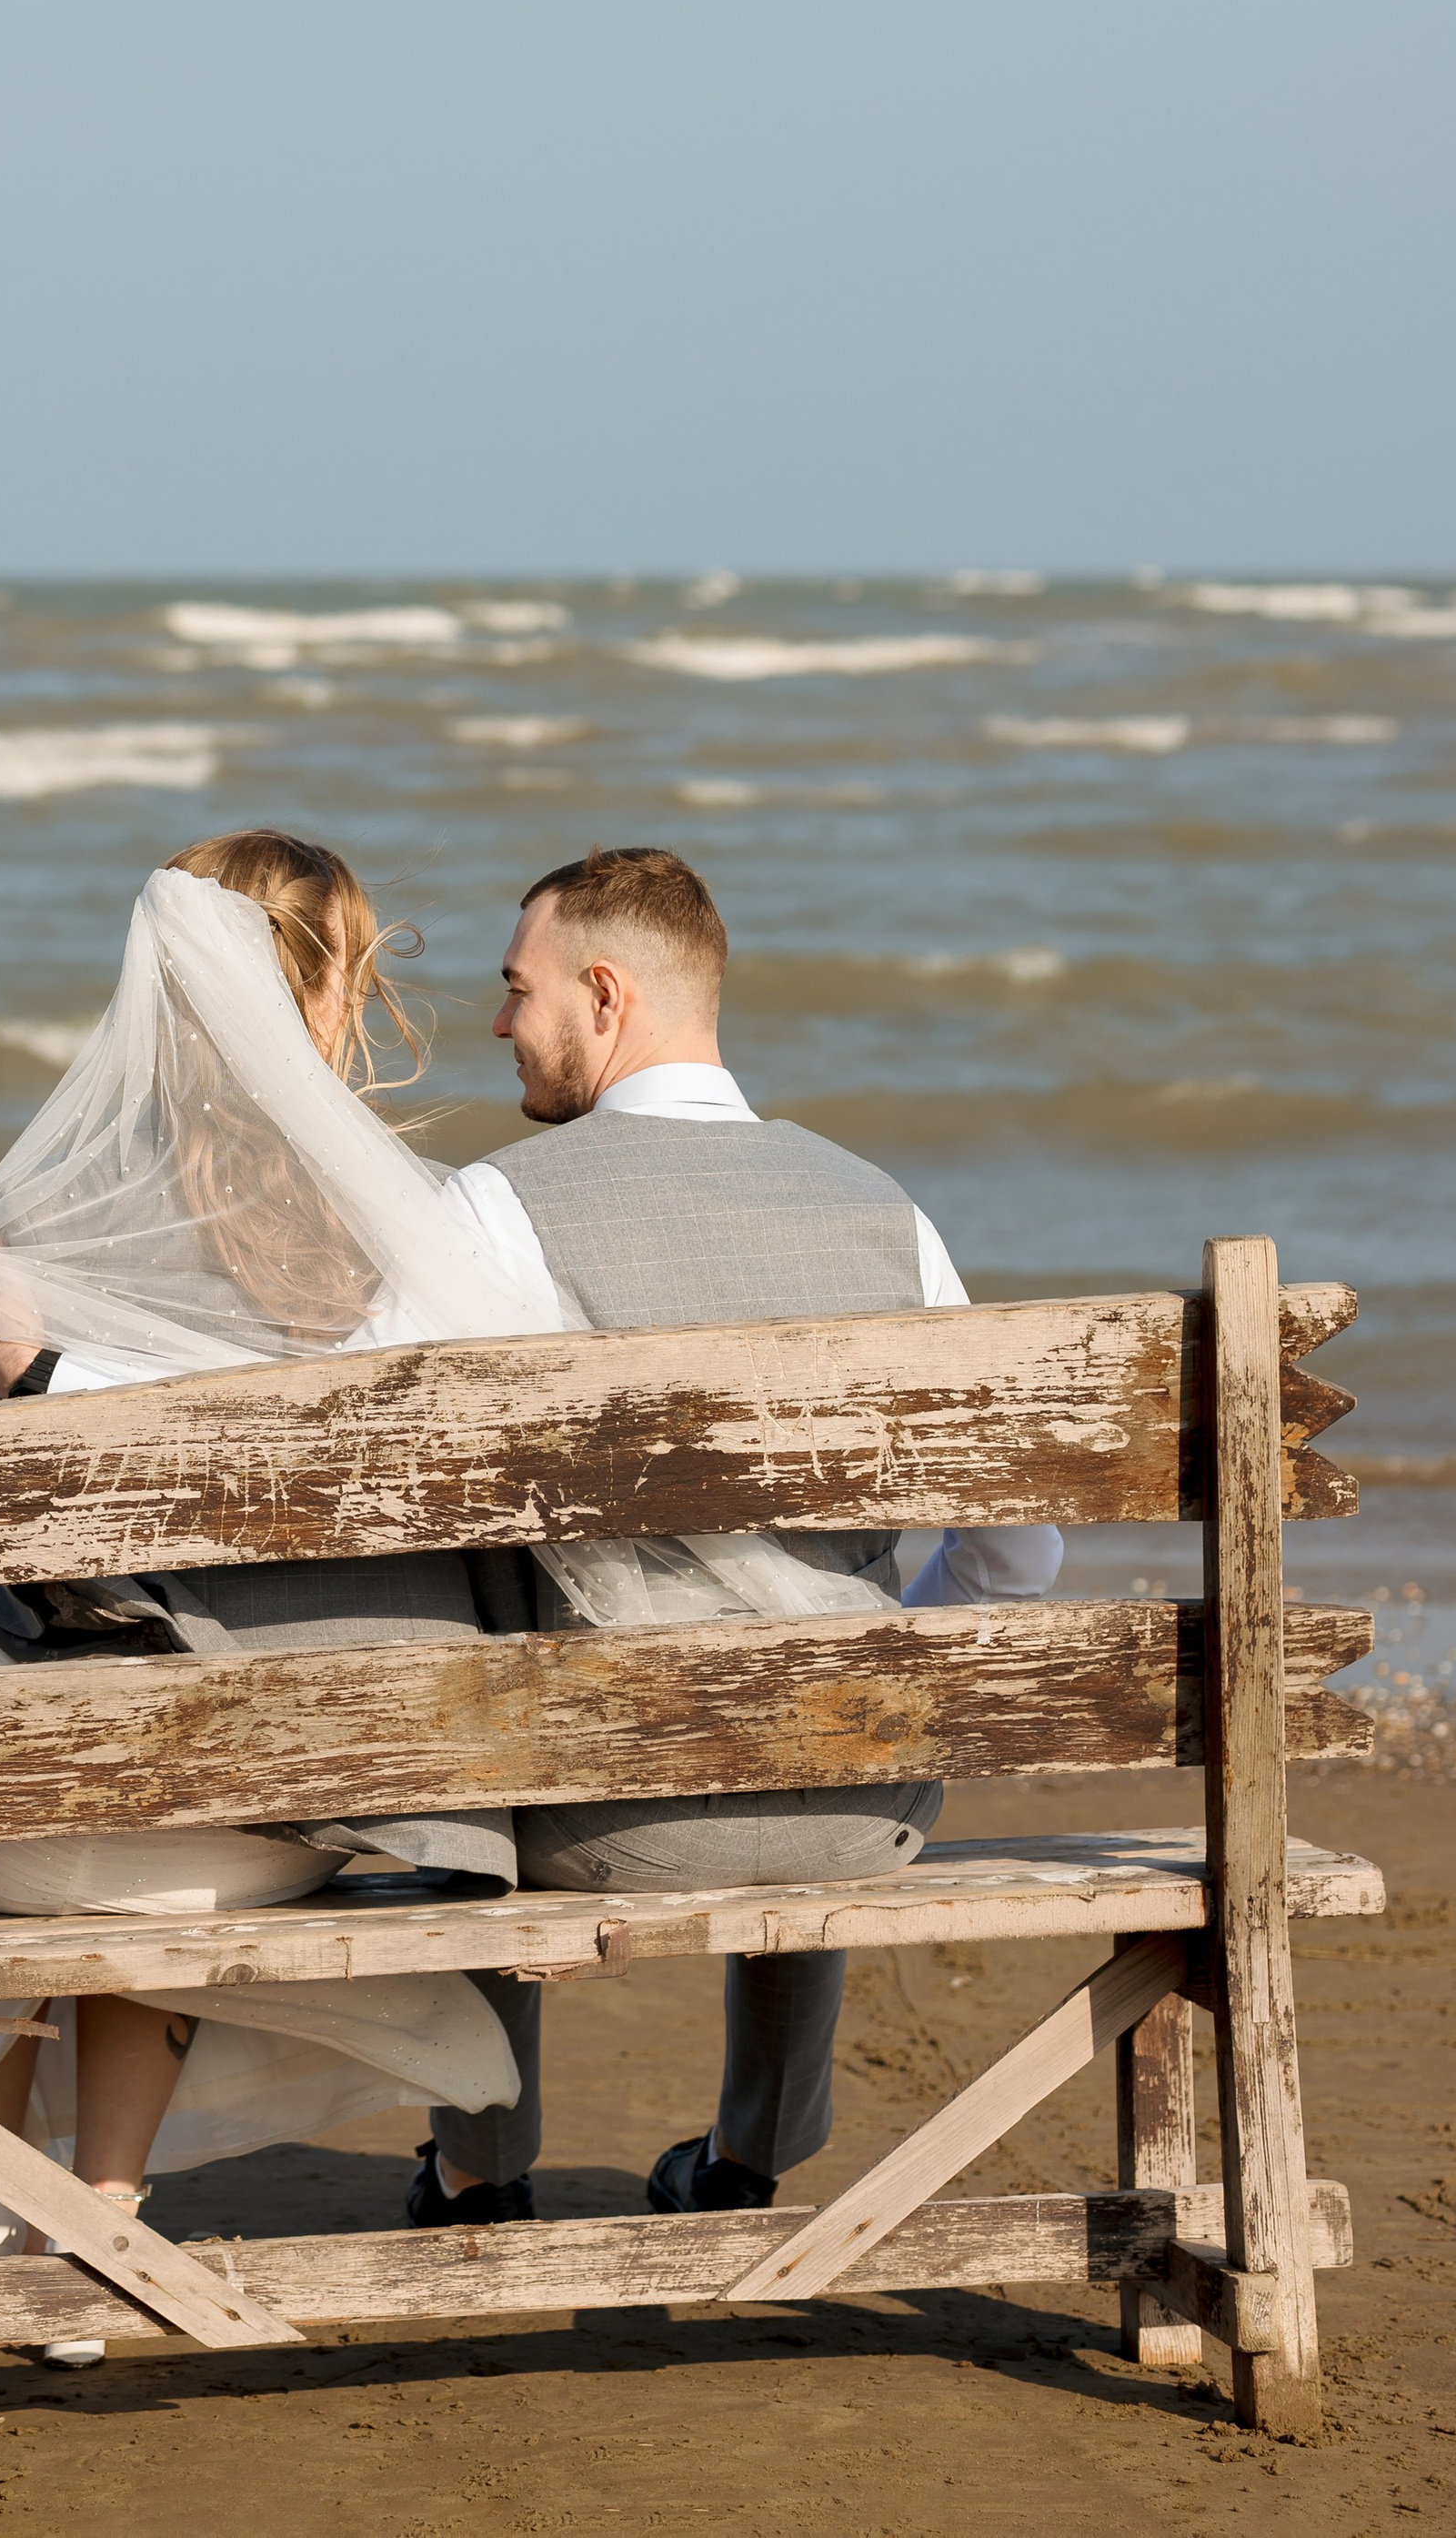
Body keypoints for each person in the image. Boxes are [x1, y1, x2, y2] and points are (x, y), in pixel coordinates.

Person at [0, 829, 567, 2352]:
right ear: (333, 991)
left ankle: (0, 2179)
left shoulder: (40, 1195)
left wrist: (45, 1377)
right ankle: (102, 2205)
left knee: (5, 1678)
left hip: (9, 1821)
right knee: (184, 1718)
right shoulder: (421, 1222)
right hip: (268, 1824)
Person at [400, 844, 1063, 2231]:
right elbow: (1019, 1552)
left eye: (518, 989)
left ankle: (479, 2166)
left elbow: (383, 1499)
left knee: (457, 1619)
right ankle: (749, 2154)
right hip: (869, 1808)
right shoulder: (886, 1213)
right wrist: (889, 1676)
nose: (501, 1022)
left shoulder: (497, 1208)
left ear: (604, 993)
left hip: (606, 1820)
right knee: (820, 1657)